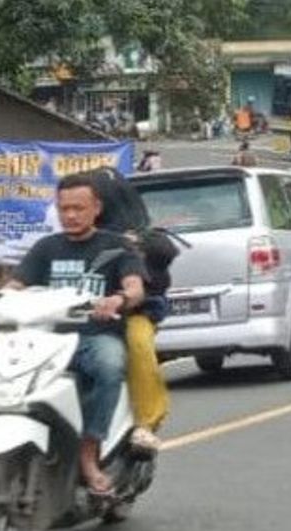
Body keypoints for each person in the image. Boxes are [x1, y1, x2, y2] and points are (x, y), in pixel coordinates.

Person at [1, 173, 147, 495]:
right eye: (64, 208)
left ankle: (88, 452)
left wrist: (118, 299)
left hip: (95, 338)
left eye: (78, 208)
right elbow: (16, 285)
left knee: (110, 365)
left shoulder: (116, 246)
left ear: (96, 208)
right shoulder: (46, 247)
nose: (70, 215)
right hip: (47, 341)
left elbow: (135, 288)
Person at [87, 167, 178, 455]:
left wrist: (138, 243)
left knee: (138, 344)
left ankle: (145, 424)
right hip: (83, 318)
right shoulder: (73, 239)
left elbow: (165, 251)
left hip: (131, 315)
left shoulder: (142, 238)